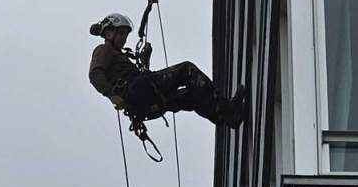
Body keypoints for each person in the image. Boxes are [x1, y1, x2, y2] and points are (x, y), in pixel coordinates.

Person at [89, 10, 247, 128]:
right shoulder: (103, 50)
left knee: (191, 96)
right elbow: (95, 74)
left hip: (142, 102)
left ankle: (225, 117)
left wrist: (145, 61)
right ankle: (228, 110)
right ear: (109, 33)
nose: (124, 38)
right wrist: (112, 95)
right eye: (121, 34)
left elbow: (139, 79)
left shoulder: (120, 57)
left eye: (125, 35)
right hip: (136, 91)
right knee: (187, 70)